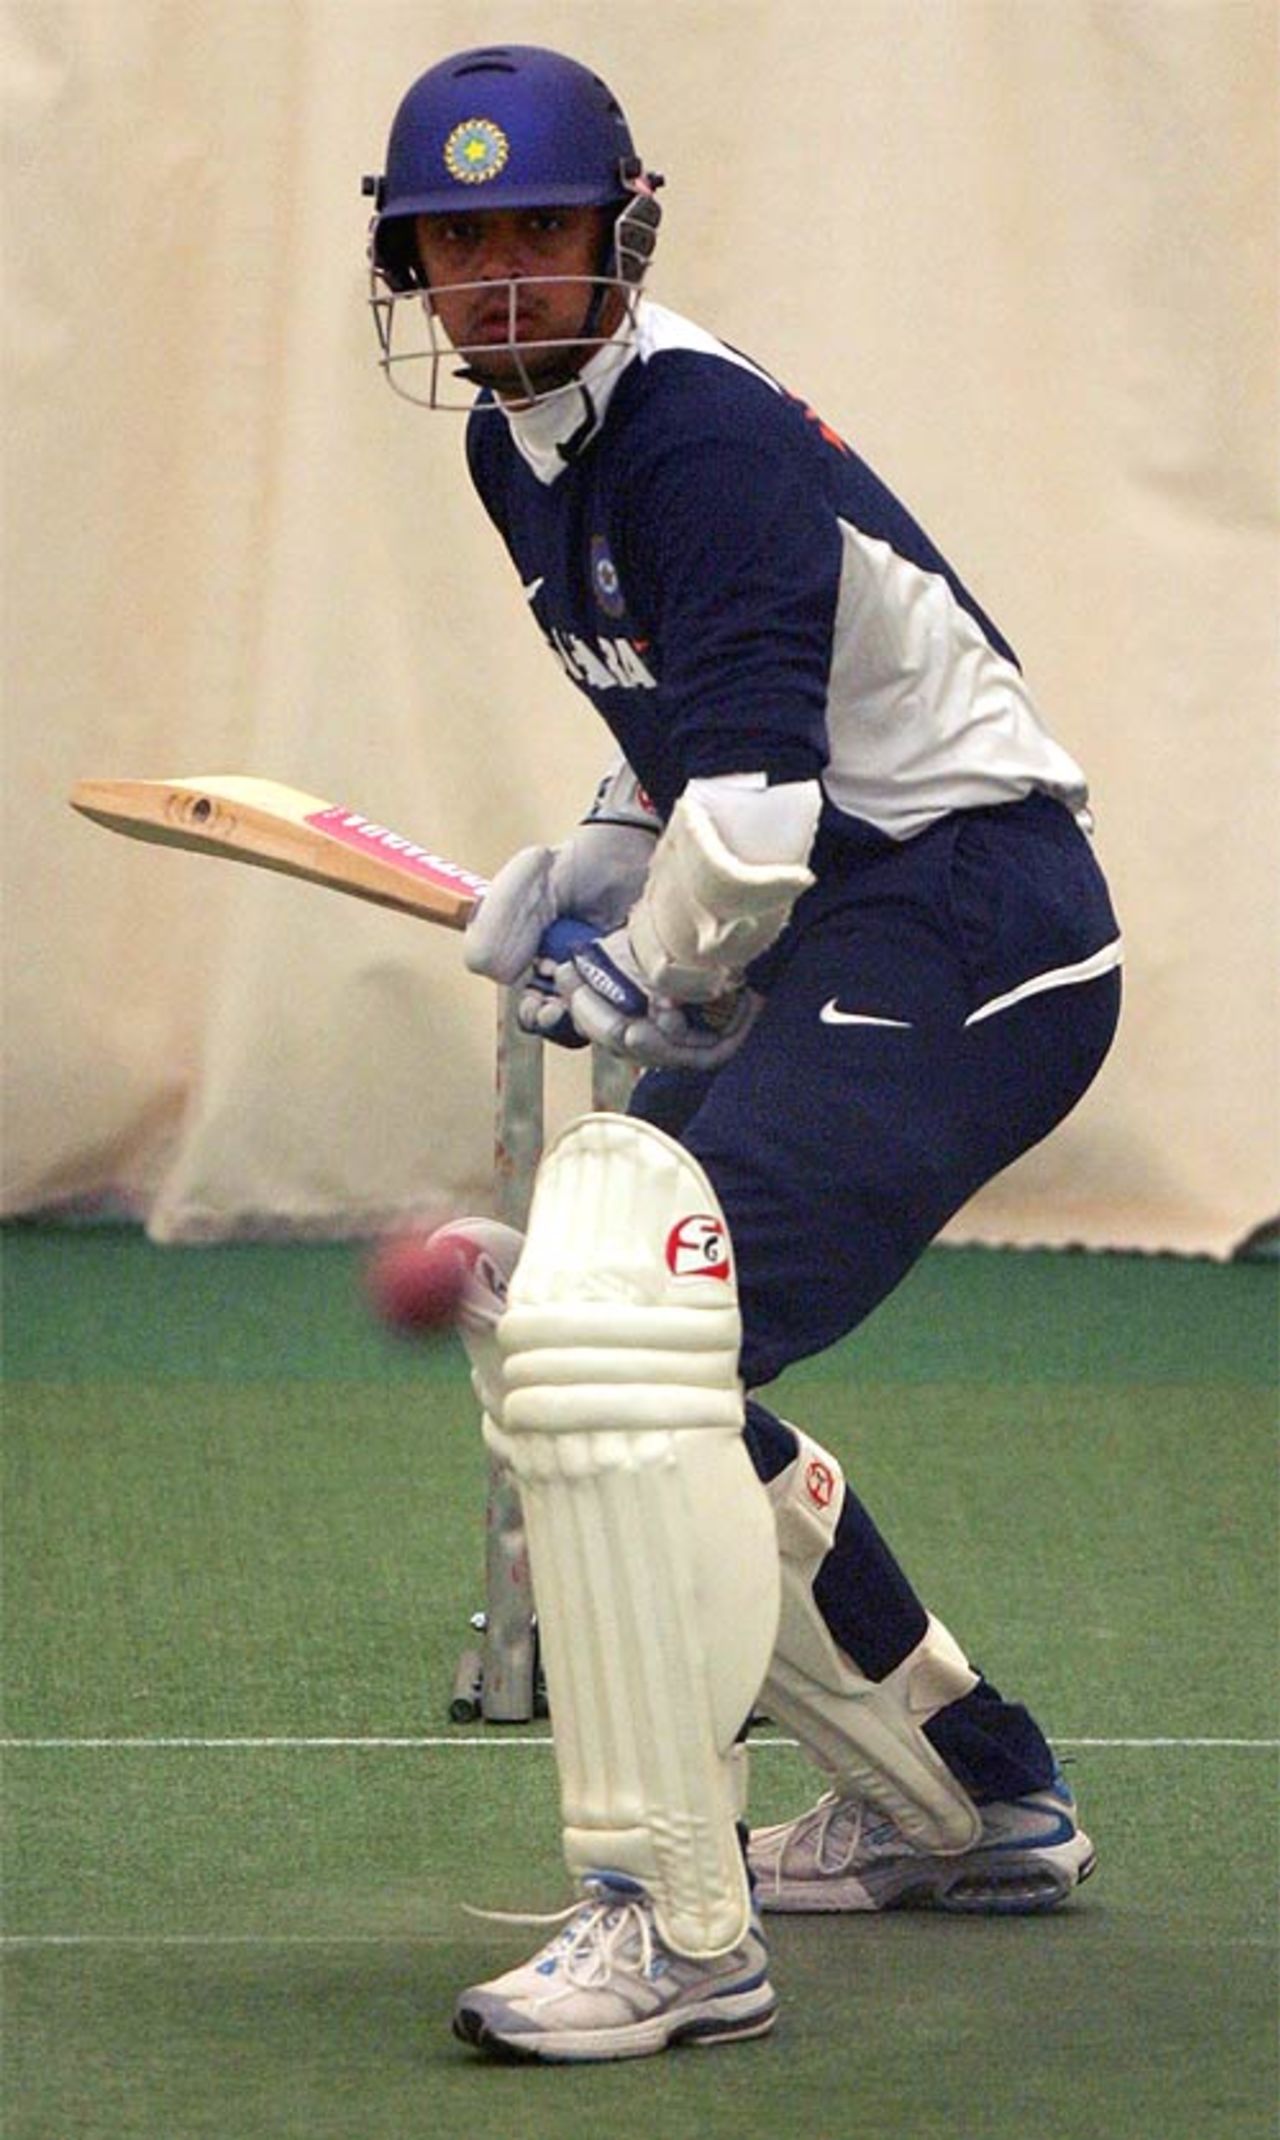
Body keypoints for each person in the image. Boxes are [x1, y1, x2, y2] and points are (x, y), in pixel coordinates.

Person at [364, 44, 1122, 2064]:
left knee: (622, 1327)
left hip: (973, 914)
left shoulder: (693, 430)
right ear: (411, 272)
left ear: (621, 235)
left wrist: (649, 961)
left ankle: (671, 1925)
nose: (500, 283)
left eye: (535, 232)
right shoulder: (518, 446)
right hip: (863, 906)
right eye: (457, 246)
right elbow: (679, 735)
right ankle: (967, 1799)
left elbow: (766, 816)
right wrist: (588, 866)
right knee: (579, 1343)